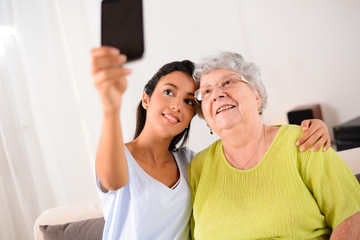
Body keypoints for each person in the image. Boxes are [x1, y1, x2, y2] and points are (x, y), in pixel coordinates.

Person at [91, 46, 331, 240]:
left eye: (188, 101)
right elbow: (113, 180)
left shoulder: (192, 164)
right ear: (146, 98)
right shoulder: (117, 156)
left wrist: (313, 127)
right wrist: (111, 106)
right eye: (168, 92)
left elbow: (242, 156)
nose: (177, 105)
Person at [188, 51, 360, 239]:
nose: (217, 94)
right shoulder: (198, 167)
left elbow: (352, 217)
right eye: (206, 92)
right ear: (205, 117)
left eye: (227, 82)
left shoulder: (304, 141)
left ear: (257, 96)